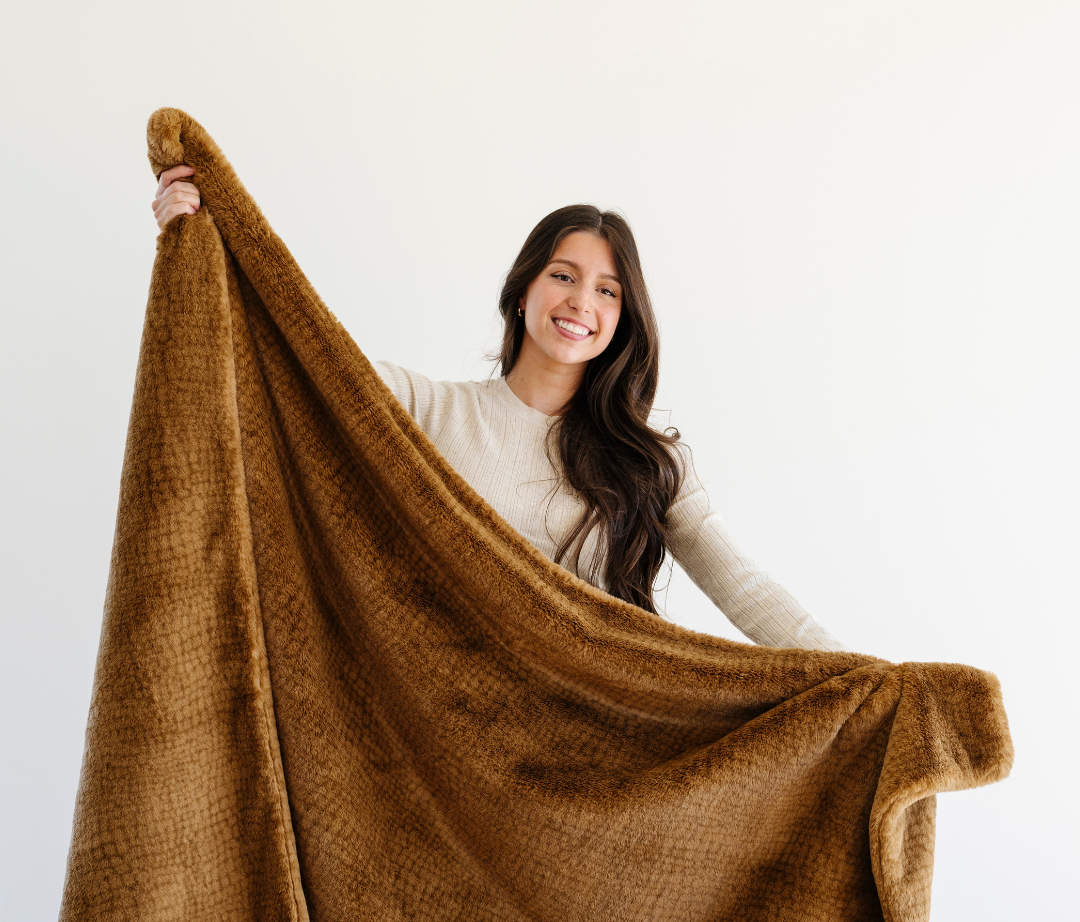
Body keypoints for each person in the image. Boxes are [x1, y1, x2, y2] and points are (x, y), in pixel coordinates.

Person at [152, 167, 844, 650]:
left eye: (608, 291)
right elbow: (289, 350)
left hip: (593, 755)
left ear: (624, 317)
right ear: (522, 292)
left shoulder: (652, 463)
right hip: (451, 754)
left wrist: (877, 682)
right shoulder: (424, 409)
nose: (582, 303)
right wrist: (203, 243)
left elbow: (744, 587)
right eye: (563, 277)